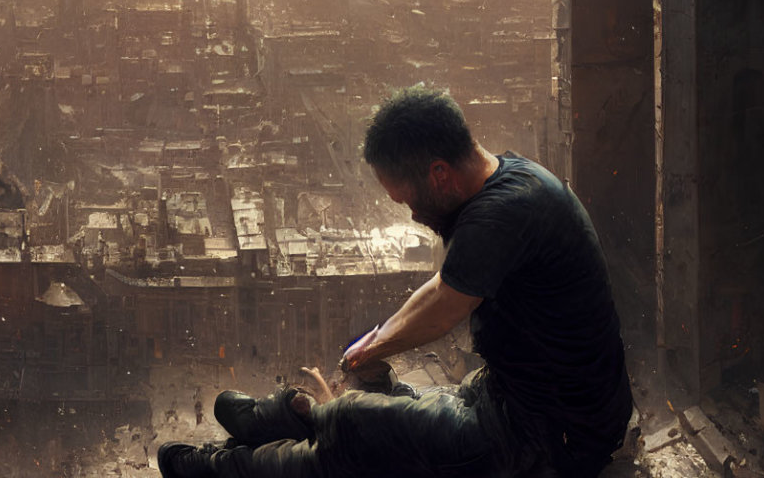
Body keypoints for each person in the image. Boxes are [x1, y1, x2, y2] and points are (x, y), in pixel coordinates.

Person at [158, 85, 633, 478]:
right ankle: (291, 418)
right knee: (385, 402)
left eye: (408, 199)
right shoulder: (511, 181)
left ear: (439, 173)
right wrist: (374, 342)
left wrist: (376, 349)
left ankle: (222, 468)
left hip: (547, 437)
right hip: (524, 401)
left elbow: (447, 306)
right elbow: (444, 285)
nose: (413, 213)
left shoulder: (500, 216)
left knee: (351, 423)